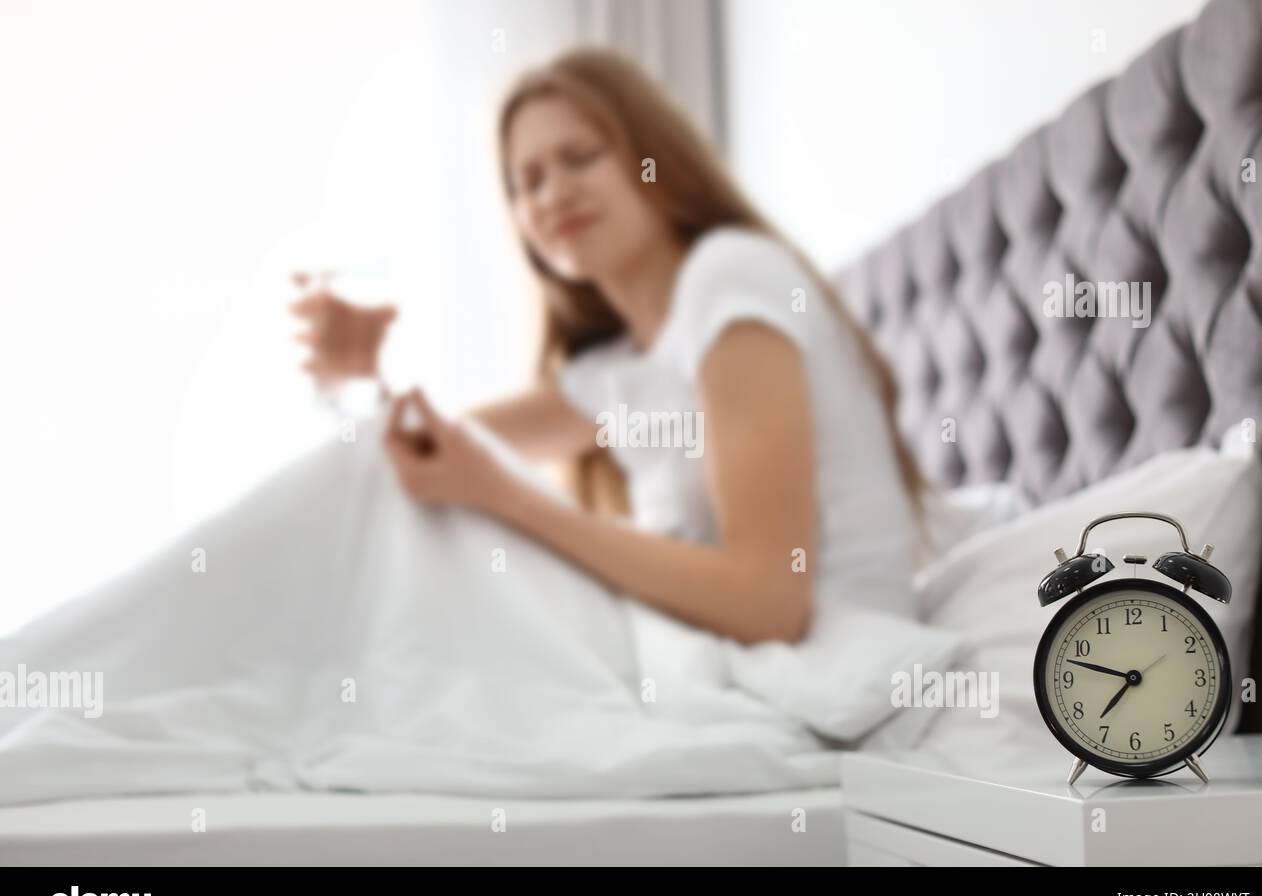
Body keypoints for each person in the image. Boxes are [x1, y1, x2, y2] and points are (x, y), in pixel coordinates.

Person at [290, 48, 928, 643]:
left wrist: (509, 496)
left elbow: (770, 601)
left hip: (839, 660)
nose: (552, 194)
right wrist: (359, 380)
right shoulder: (612, 371)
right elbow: (429, 456)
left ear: (655, 159)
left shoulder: (730, 274)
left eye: (580, 157)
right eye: (527, 181)